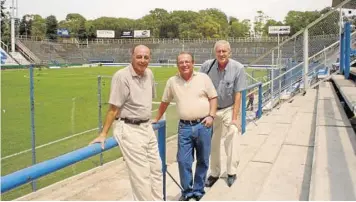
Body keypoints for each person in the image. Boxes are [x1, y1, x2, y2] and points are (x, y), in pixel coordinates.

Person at [89, 45, 163, 201]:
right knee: (141, 177)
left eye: (146, 57)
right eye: (139, 57)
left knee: (156, 170)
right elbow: (113, 109)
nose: (143, 60)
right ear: (132, 56)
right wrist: (103, 134)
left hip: (146, 126)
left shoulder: (149, 74)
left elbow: (147, 100)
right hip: (129, 128)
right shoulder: (121, 76)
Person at [153, 52, 217, 201]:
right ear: (177, 65)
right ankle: (187, 191)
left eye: (187, 61)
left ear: (193, 63)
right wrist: (156, 118)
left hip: (203, 125)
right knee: (183, 161)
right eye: (181, 62)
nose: (184, 64)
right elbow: (165, 102)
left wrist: (211, 116)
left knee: (203, 159)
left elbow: (213, 97)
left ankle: (198, 190)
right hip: (185, 127)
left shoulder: (203, 78)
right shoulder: (172, 81)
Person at [200, 40, 247, 188]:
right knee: (212, 143)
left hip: (228, 108)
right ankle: (214, 173)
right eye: (219, 51)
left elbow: (238, 94)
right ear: (215, 53)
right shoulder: (206, 66)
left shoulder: (238, 68)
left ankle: (231, 172)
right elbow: (200, 89)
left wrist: (235, 118)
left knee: (233, 133)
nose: (221, 54)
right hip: (211, 110)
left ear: (229, 52)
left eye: (224, 51)